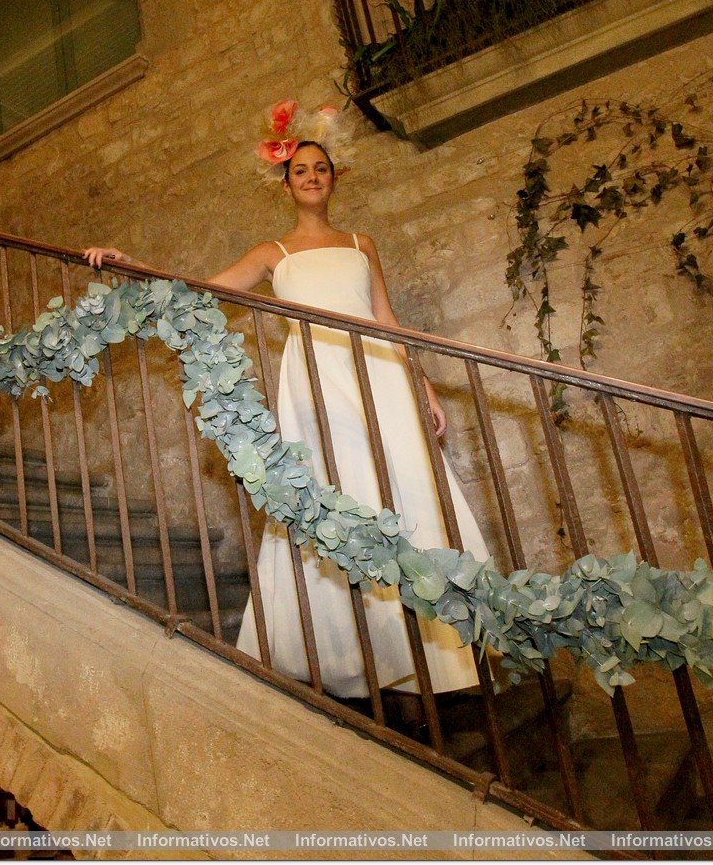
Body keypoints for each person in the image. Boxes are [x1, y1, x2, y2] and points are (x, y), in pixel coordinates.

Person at [82, 131, 492, 700]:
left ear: (334, 178)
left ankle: (427, 648)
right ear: (287, 183)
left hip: (377, 371)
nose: (312, 176)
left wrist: (421, 381)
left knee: (402, 484)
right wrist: (133, 265)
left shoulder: (360, 242)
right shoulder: (273, 252)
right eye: (301, 170)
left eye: (321, 168)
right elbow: (203, 289)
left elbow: (386, 319)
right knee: (331, 488)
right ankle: (348, 649)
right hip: (315, 379)